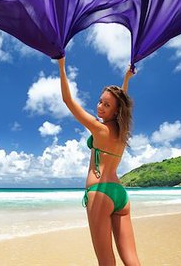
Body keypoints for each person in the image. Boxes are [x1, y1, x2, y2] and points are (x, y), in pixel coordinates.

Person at [58, 57, 140, 266]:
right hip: (120, 195)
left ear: (115, 110)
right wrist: (126, 80)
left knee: (106, 260)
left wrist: (61, 63)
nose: (101, 107)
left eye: (107, 105)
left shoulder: (99, 128)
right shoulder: (122, 133)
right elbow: (121, 102)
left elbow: (68, 101)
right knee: (132, 259)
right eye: (100, 101)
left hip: (100, 194)